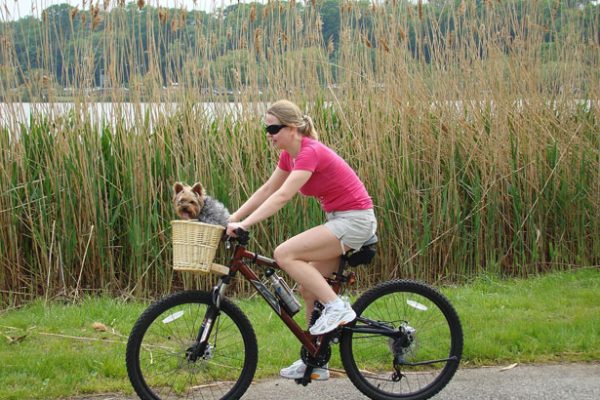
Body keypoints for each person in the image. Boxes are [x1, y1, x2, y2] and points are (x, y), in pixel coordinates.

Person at [226, 99, 377, 380]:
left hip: (355, 220)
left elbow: (282, 197)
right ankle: (315, 359)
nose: (269, 134)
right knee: (309, 288)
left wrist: (245, 224)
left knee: (284, 254)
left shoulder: (309, 152)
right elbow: (269, 188)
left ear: (293, 128)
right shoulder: (290, 155)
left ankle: (338, 307)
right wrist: (232, 218)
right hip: (340, 220)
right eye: (266, 129)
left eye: (273, 128)